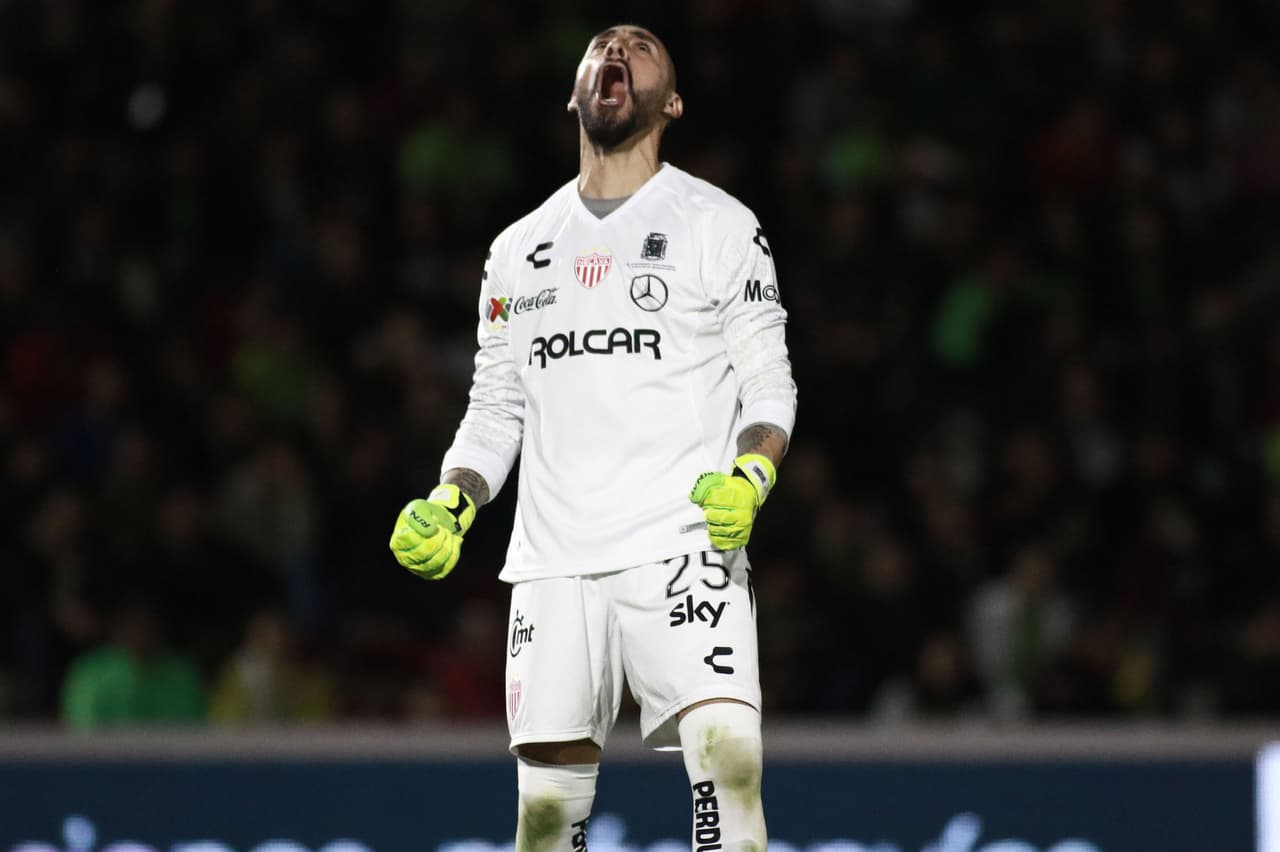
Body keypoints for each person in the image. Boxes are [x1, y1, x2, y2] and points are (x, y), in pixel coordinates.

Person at [389, 24, 796, 851]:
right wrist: (452, 500)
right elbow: (496, 406)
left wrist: (750, 476)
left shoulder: (718, 224)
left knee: (730, 770)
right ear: (575, 91)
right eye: (601, 44)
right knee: (545, 819)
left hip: (684, 542)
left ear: (672, 101)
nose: (616, 50)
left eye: (640, 46)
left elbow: (770, 380)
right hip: (554, 560)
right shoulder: (516, 252)